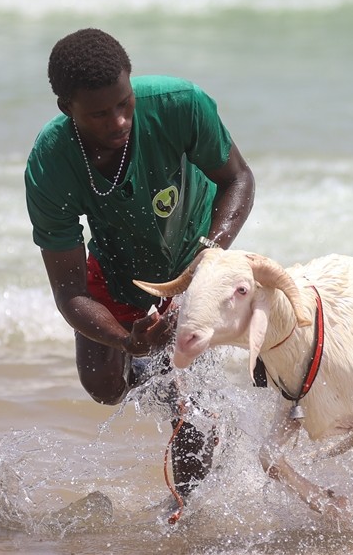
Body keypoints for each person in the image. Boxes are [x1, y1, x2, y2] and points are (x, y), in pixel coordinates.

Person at [25, 27, 255, 506]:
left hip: (195, 252)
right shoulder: (51, 164)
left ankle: (184, 515)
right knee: (104, 386)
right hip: (115, 265)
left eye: (124, 103)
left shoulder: (180, 104)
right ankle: (154, 366)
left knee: (190, 395)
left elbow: (238, 179)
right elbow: (69, 293)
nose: (119, 120)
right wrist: (125, 339)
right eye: (99, 113)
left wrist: (208, 258)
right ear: (67, 108)